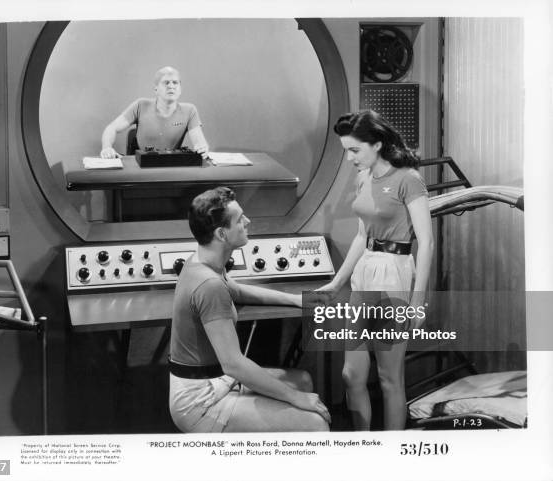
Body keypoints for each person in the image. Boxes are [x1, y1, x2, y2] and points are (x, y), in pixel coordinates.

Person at [169, 187, 330, 433]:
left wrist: (295, 300)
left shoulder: (204, 261)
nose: (248, 221)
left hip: (217, 380)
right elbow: (234, 364)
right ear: (222, 234)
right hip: (200, 401)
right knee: (316, 425)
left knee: (304, 381)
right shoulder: (209, 285)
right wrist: (293, 398)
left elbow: (235, 289)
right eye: (240, 219)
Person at [317, 110, 434, 430]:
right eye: (347, 151)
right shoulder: (363, 176)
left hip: (394, 271)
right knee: (351, 374)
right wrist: (336, 281)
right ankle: (363, 445)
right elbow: (360, 235)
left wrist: (417, 301)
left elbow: (426, 242)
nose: (350, 158)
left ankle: (391, 455)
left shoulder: (408, 179)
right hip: (364, 272)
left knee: (388, 378)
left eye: (355, 150)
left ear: (377, 144)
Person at [100, 66, 209, 159]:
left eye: (175, 83)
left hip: (170, 167)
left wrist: (202, 148)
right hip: (141, 167)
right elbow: (111, 128)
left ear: (180, 89)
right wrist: (107, 147)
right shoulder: (140, 105)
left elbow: (200, 143)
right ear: (156, 89)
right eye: (166, 83)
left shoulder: (190, 110)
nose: (171, 86)